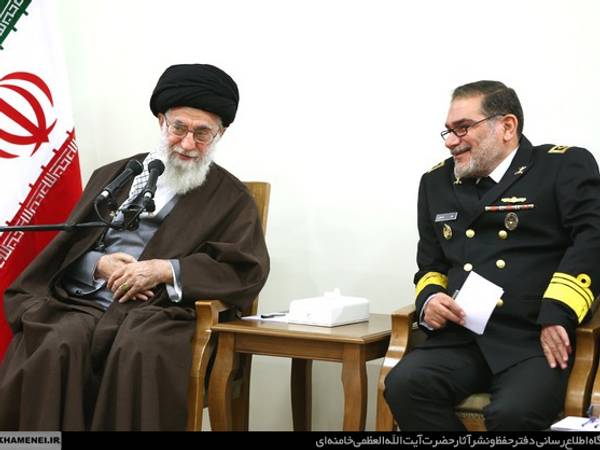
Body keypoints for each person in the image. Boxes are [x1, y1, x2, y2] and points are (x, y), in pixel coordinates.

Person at [0, 64, 270, 431]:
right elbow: (65, 251)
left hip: (159, 312)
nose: (188, 144)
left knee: (139, 347)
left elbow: (244, 270)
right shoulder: (114, 176)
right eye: (179, 128)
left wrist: (166, 270)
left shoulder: (231, 199)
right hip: (86, 302)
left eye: (202, 133)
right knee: (56, 341)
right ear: (161, 121)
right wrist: (98, 265)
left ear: (220, 133)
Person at [384, 80, 600, 431]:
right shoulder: (436, 182)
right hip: (462, 337)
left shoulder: (562, 166)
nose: (451, 141)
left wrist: (558, 313)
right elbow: (431, 263)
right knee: (404, 385)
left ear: (507, 127)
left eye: (463, 128)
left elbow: (592, 241)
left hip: (534, 336)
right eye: (448, 131)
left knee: (514, 414)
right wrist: (431, 298)